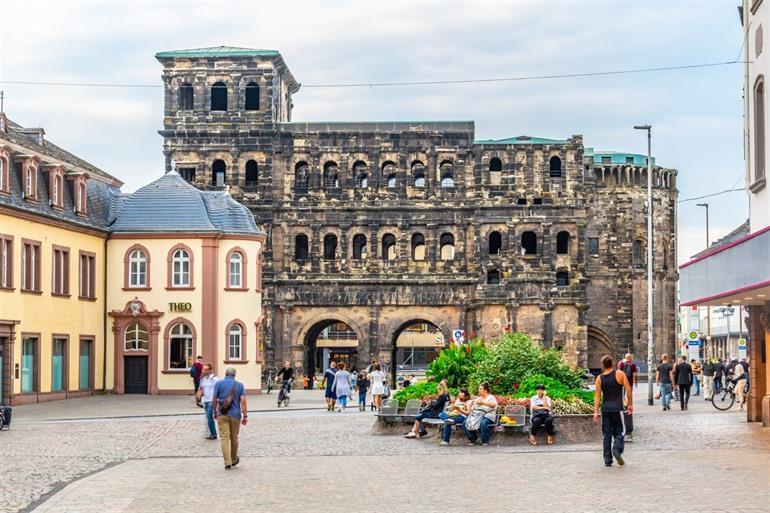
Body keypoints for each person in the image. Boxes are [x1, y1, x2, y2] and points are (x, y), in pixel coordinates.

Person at [594, 355, 633, 467]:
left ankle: (607, 460)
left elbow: (597, 397)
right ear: (612, 363)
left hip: (605, 409)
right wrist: (629, 404)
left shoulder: (599, 378)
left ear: (603, 365)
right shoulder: (620, 374)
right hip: (617, 409)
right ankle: (616, 449)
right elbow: (628, 390)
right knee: (620, 431)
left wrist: (596, 411)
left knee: (606, 435)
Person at [212, 366, 247, 470]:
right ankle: (233, 459)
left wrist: (214, 412)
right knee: (234, 438)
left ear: (226, 373)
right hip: (235, 415)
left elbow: (214, 399)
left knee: (224, 438)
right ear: (234, 374)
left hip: (222, 414)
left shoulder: (219, 383)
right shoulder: (240, 385)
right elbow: (243, 402)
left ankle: (227, 462)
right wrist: (245, 415)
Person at [466, 382, 498, 446]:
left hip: (488, 415)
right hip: (477, 415)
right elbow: (473, 407)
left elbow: (494, 405)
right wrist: (470, 406)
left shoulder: (491, 397)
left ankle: (485, 441)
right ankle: (473, 439)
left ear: (485, 390)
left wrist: (482, 402)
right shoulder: (478, 398)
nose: (478, 390)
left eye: (480, 389)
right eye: (478, 388)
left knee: (483, 424)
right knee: (466, 422)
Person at [195, 362, 220, 440]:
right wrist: (198, 396)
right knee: (208, 417)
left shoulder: (215, 379)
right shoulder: (202, 379)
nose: (203, 371)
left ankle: (213, 434)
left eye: (205, 369)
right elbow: (201, 389)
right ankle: (210, 432)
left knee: (209, 416)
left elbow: (218, 390)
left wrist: (216, 400)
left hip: (212, 400)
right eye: (203, 369)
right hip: (205, 400)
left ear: (210, 370)